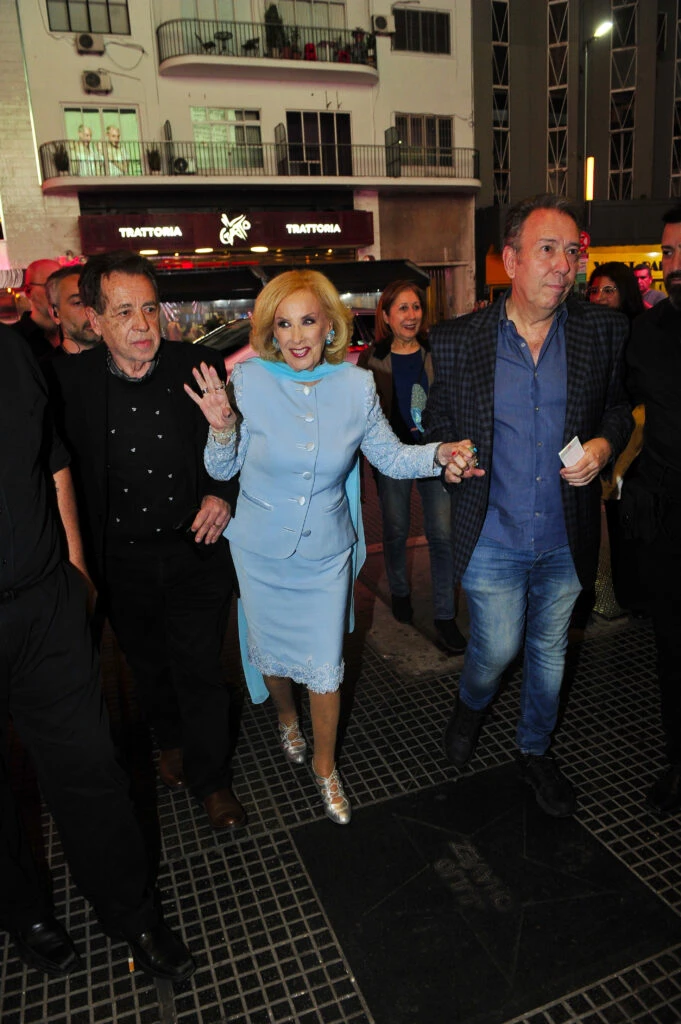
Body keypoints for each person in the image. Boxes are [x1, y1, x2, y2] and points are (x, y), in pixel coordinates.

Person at [185, 269, 473, 825]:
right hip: (261, 550)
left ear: (329, 326)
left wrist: (438, 453)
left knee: (325, 664)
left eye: (308, 321)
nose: (296, 336)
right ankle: (285, 718)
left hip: (325, 553)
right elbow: (221, 467)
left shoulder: (356, 385)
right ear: (270, 329)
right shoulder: (246, 382)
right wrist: (221, 429)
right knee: (269, 654)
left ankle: (324, 766)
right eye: (283, 323)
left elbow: (389, 457)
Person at [424, 194, 632, 818]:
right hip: (491, 534)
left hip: (567, 538)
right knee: (496, 649)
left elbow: (619, 409)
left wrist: (603, 444)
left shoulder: (603, 331)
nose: (564, 266)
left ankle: (534, 751)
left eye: (572, 252)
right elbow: (434, 425)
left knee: (550, 651)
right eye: (547, 250)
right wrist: (446, 454)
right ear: (510, 259)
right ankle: (471, 703)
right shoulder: (460, 341)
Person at [0, 322, 194, 982]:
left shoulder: (9, 350)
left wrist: (78, 568)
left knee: (92, 769)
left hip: (43, 602)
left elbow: (51, 459)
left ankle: (131, 912)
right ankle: (24, 911)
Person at [50, 252, 245, 831]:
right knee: (149, 665)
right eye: (125, 311)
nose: (142, 324)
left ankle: (213, 782)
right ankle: (172, 741)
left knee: (202, 670)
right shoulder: (67, 384)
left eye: (150, 308)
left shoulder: (200, 365)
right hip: (120, 563)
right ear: (96, 320)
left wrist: (220, 492)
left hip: (195, 552)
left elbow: (234, 448)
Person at [358, 280, 466, 654]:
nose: (411, 315)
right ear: (386, 315)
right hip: (393, 458)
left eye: (416, 307)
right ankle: (400, 591)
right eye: (402, 308)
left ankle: (445, 615)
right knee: (395, 529)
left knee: (442, 534)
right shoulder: (372, 358)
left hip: (436, 453)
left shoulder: (438, 351)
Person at [626, 204, 681, 815]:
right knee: (673, 649)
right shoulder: (648, 331)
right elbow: (624, 409)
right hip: (670, 518)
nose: (674, 264)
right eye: (667, 253)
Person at [587, 262, 646, 615]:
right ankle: (624, 591)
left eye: (609, 290)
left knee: (634, 516)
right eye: (595, 290)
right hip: (605, 437)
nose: (600, 297)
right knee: (612, 514)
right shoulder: (590, 332)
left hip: (640, 440)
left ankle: (639, 595)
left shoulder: (640, 330)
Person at [46, 265, 102, 354]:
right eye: (78, 303)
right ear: (55, 314)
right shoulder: (46, 367)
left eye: (96, 300)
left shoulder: (124, 361)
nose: (92, 310)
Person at [13, 258, 61, 360]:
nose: (58, 293)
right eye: (50, 286)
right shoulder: (12, 340)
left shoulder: (75, 331)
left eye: (62, 287)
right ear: (29, 292)